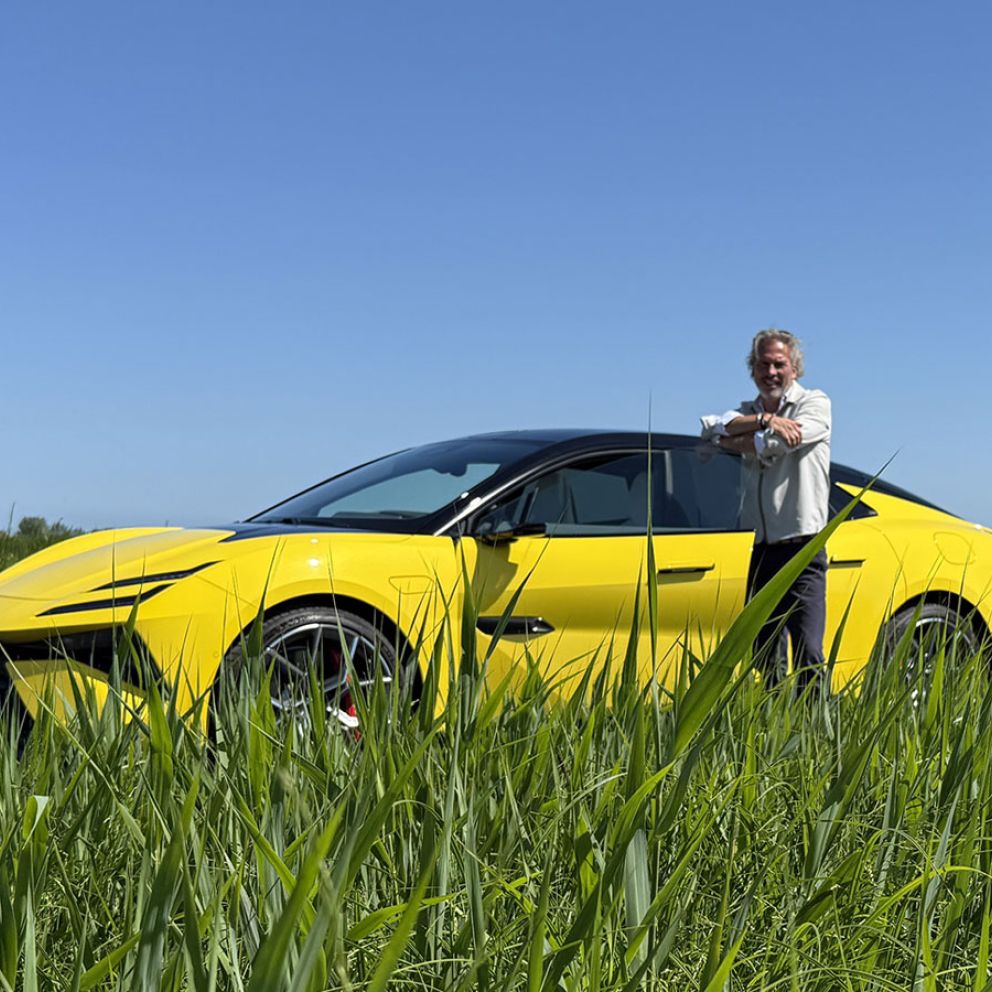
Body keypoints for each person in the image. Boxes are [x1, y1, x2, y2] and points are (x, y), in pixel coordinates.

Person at [700, 329, 832, 691]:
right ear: (752, 368)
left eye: (779, 364)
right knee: (764, 652)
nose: (771, 372)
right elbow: (709, 428)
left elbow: (780, 444)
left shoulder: (814, 402)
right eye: (763, 365)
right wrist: (765, 421)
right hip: (761, 548)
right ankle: (771, 719)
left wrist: (734, 439)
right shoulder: (749, 411)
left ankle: (815, 723)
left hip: (802, 547)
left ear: (794, 368)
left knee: (808, 652)